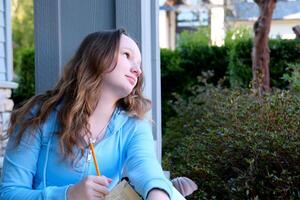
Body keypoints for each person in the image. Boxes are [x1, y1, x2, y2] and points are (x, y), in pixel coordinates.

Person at [0, 29, 172, 200]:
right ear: (97, 56)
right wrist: (68, 195)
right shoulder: (39, 114)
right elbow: (10, 193)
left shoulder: (134, 126)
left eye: (139, 64)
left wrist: (159, 193)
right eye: (127, 55)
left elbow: (147, 169)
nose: (137, 70)